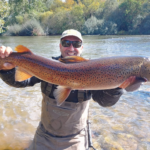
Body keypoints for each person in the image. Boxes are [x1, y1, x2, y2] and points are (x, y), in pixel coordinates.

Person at [0, 29, 143, 150]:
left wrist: (117, 88)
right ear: (60, 46)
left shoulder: (94, 70)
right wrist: (5, 69)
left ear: (82, 47)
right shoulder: (46, 65)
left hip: (76, 139)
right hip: (44, 135)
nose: (71, 48)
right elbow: (20, 82)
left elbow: (104, 102)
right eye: (66, 43)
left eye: (76, 44)